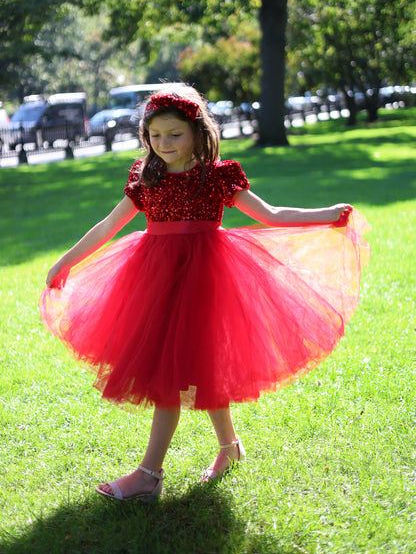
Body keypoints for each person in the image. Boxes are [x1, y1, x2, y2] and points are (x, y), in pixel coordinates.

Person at [39, 85, 370, 502]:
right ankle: (229, 449)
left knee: (177, 374)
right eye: (155, 135)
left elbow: (270, 214)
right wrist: (65, 261)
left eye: (174, 134)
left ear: (197, 132)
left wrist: (328, 214)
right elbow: (108, 225)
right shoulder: (146, 176)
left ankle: (148, 476)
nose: (164, 143)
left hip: (206, 276)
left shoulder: (216, 176)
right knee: (191, 365)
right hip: (155, 279)